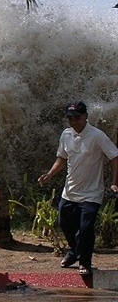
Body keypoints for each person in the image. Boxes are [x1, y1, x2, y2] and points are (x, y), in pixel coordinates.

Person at [37, 101, 118, 276]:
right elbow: (61, 158)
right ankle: (74, 251)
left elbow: (115, 156)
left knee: (86, 228)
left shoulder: (98, 136)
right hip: (70, 191)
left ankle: (85, 262)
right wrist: (50, 174)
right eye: (70, 118)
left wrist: (115, 181)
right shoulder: (66, 135)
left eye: (77, 117)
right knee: (64, 223)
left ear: (86, 117)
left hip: (92, 193)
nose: (73, 121)